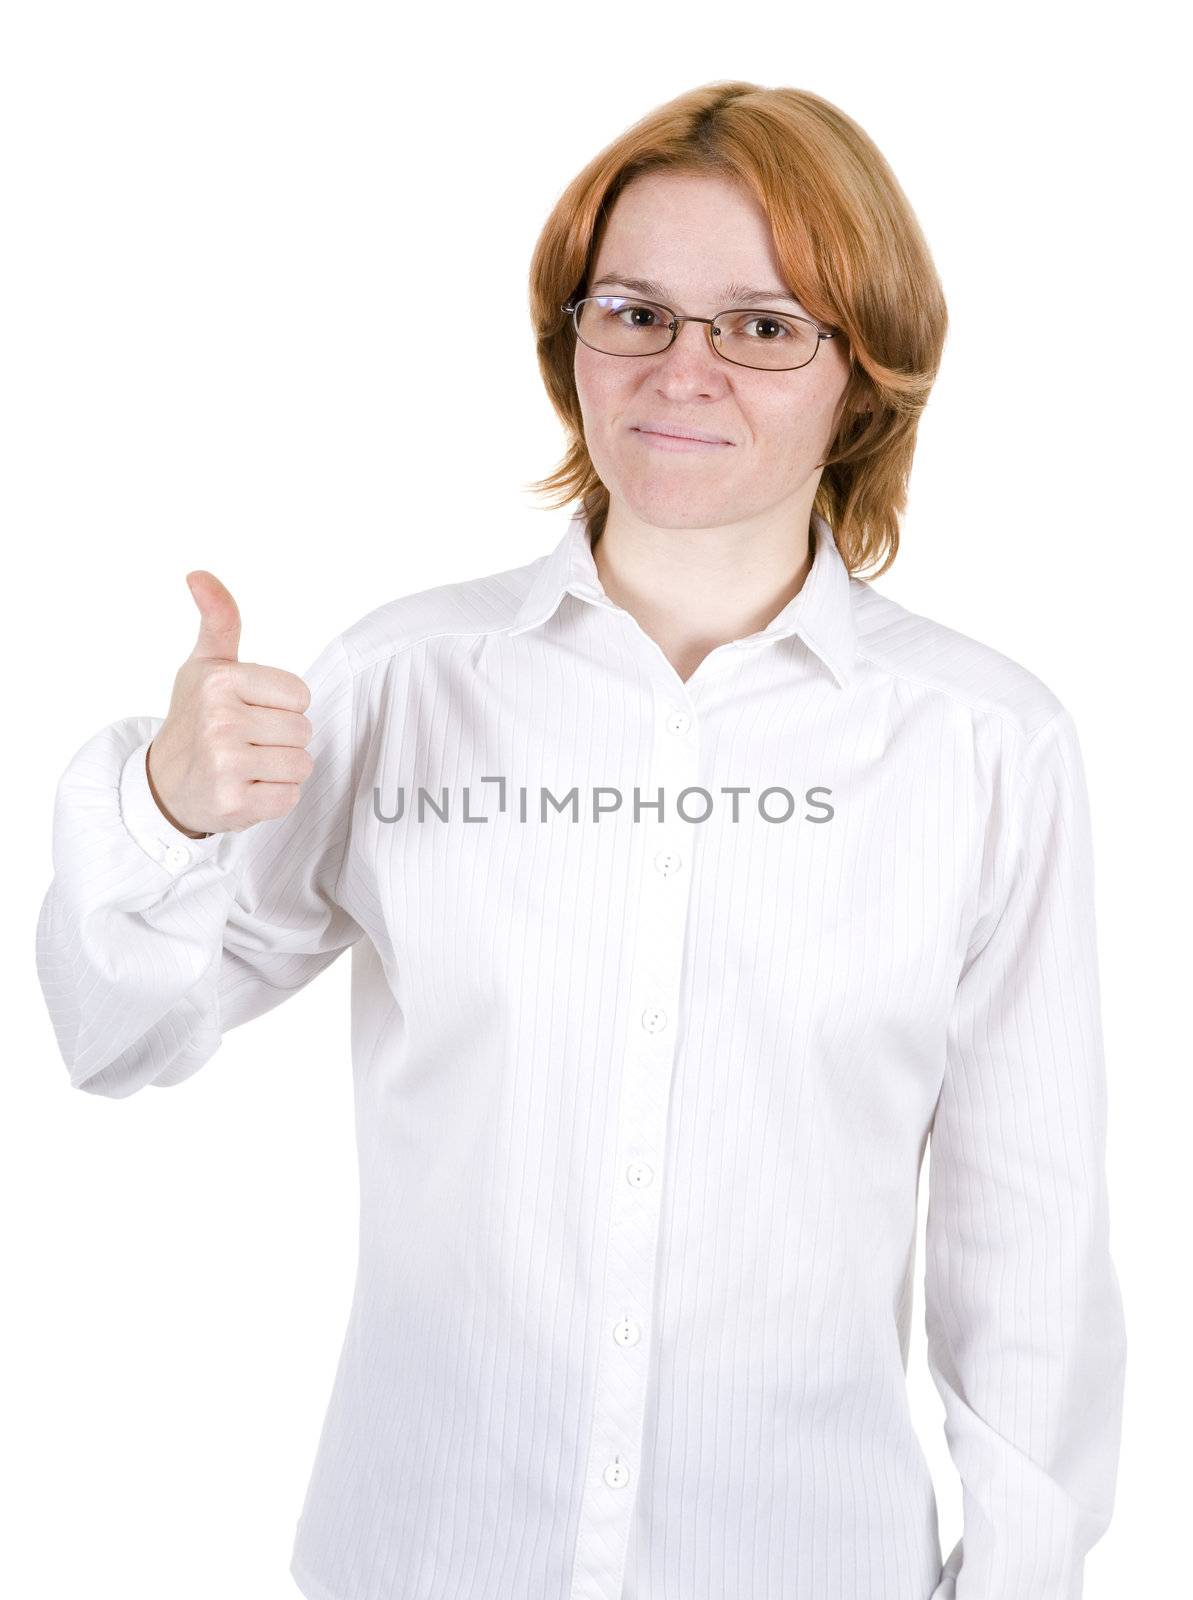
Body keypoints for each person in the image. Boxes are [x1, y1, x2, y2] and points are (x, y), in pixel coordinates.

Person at [35, 80, 1126, 1600]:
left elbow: (1031, 1240)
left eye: (761, 324)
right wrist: (165, 803)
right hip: (420, 1558)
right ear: (574, 343)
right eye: (635, 312)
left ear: (862, 376)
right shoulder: (400, 683)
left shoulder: (987, 746)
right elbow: (118, 1038)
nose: (683, 370)